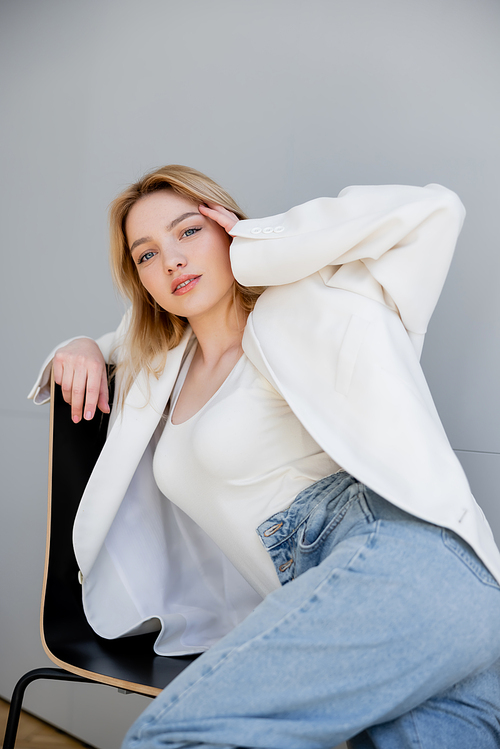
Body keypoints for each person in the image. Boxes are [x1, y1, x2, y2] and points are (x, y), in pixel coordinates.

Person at [30, 165, 500, 748]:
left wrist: (261, 241)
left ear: (227, 228)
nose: (171, 260)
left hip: (404, 558)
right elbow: (125, 340)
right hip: (365, 600)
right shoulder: (164, 368)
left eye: (188, 232)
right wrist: (79, 346)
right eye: (146, 255)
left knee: (173, 738)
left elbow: (435, 212)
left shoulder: (312, 302)